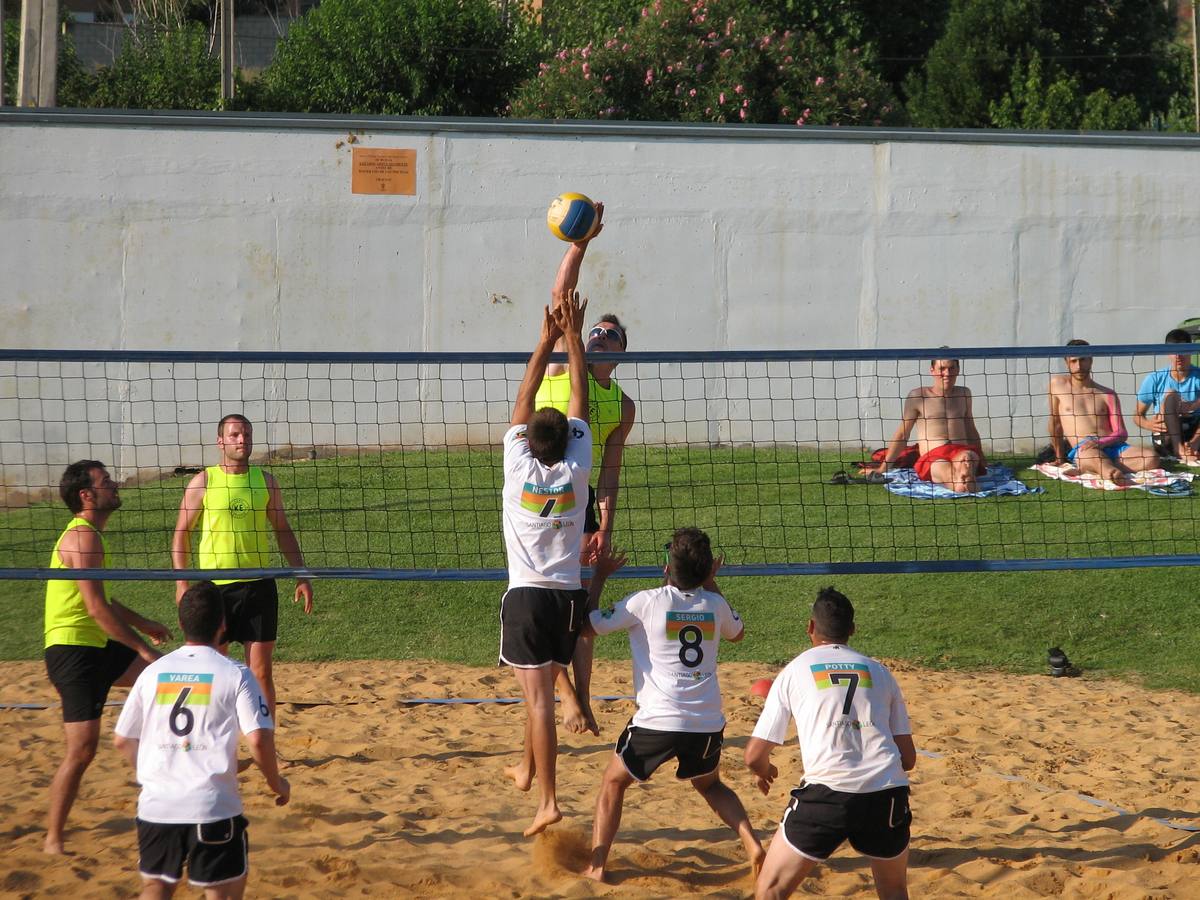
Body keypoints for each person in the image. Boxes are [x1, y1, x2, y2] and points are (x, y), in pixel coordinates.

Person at [582, 529, 764, 883]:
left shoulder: (646, 601)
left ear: (666, 566)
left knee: (613, 782)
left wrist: (599, 576)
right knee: (711, 786)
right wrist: (711, 584)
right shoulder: (715, 604)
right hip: (706, 721)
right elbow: (737, 634)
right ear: (709, 568)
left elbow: (590, 627)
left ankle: (598, 865)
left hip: (658, 720)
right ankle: (753, 844)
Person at [114, 581, 290, 899]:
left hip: (157, 807)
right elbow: (259, 739)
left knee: (156, 886)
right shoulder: (236, 673)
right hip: (212, 808)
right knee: (224, 890)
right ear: (224, 625)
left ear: (181, 623)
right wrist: (277, 784)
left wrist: (154, 775)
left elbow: (123, 740)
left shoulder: (153, 672)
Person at [536, 200, 636, 736]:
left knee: (583, 613)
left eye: (609, 335)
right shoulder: (559, 364)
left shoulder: (621, 404)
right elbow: (559, 300)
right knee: (547, 603)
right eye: (594, 331)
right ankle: (565, 695)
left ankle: (583, 696)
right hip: (538, 495)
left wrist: (605, 529)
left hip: (582, 504)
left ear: (621, 353)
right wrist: (579, 245)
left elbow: (612, 475)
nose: (598, 336)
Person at [745, 587, 916, 900]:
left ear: (811, 627)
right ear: (852, 630)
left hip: (826, 796)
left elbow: (753, 755)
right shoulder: (881, 672)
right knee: (893, 891)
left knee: (770, 890)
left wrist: (764, 769)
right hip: (886, 794)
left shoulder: (794, 670)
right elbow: (908, 759)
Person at [43, 460, 172, 854]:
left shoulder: (92, 536)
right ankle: (53, 839)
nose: (114, 485)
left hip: (95, 644)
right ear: (87, 495)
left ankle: (165, 770)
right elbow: (96, 609)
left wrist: (143, 622)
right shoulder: (83, 537)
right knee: (81, 751)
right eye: (106, 482)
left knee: (167, 678)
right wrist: (141, 645)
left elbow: (104, 602)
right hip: (73, 651)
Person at [500, 290, 591, 837]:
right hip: (570, 597)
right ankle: (527, 768)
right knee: (538, 688)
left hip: (529, 595)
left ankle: (549, 801)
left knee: (538, 703)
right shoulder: (576, 470)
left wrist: (546, 339)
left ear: (529, 442)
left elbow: (526, 391)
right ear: (565, 442)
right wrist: (574, 336)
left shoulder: (517, 468)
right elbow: (578, 394)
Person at [172, 414, 313, 722]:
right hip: (216, 589)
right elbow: (181, 533)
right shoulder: (204, 481)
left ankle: (265, 741)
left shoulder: (265, 482)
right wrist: (182, 583)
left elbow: (283, 530)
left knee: (261, 671)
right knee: (215, 671)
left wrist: (301, 574)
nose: (242, 440)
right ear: (220, 441)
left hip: (259, 586)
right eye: (235, 434)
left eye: (246, 434)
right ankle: (214, 742)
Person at [1049, 339, 1159, 482]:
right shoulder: (1057, 385)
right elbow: (1055, 422)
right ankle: (1110, 472)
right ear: (1067, 363)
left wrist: (1102, 442)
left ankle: (1093, 467)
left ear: (1091, 360)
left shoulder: (1108, 394)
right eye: (1073, 361)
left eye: (1083, 360)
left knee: (1152, 458)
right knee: (1092, 457)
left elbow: (1121, 432)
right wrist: (1059, 458)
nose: (1079, 366)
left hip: (1113, 446)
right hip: (1085, 449)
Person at [871, 357, 985, 493]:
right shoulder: (918, 396)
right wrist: (883, 468)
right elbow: (903, 434)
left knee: (968, 458)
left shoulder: (964, 394)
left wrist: (981, 457)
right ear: (932, 370)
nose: (947, 373)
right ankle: (959, 481)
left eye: (951, 368)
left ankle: (965, 476)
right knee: (945, 468)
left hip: (961, 450)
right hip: (934, 455)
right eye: (942, 369)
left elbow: (970, 428)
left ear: (958, 370)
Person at [1133, 328, 1200, 465]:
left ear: (1191, 350)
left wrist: (1194, 405)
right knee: (1171, 395)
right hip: (1166, 432)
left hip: (1194, 430)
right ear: (1166, 352)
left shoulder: (1197, 376)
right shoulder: (1155, 378)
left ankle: (1192, 446)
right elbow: (1137, 415)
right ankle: (1178, 450)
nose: (1178, 356)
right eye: (1173, 351)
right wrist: (1148, 424)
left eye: (1182, 350)